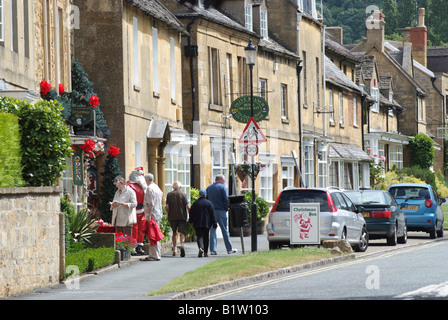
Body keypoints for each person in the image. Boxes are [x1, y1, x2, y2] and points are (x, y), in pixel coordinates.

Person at [206, 174, 237, 255]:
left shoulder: (209, 188)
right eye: (224, 180)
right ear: (220, 180)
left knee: (212, 230)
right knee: (224, 230)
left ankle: (213, 250)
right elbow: (226, 199)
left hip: (211, 212)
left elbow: (207, 200)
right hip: (221, 211)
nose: (224, 181)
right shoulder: (222, 187)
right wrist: (227, 208)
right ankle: (229, 249)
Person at [140, 173, 164, 261]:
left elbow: (150, 204)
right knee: (155, 234)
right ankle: (154, 254)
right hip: (158, 213)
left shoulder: (150, 189)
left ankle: (155, 255)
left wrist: (148, 215)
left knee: (153, 235)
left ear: (146, 180)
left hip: (153, 214)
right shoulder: (157, 187)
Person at [189, 189, 217, 257]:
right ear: (205, 195)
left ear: (199, 195)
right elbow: (213, 214)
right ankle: (205, 252)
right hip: (207, 223)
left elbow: (191, 213)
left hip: (197, 223)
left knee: (199, 236)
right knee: (206, 237)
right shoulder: (209, 203)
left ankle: (201, 248)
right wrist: (214, 224)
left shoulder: (195, 203)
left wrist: (191, 221)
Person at [165, 181, 190, 257]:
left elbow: (167, 207)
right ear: (180, 187)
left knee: (174, 233)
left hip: (172, 217)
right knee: (182, 232)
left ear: (173, 187)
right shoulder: (183, 194)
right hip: (182, 216)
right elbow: (188, 206)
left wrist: (168, 212)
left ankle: (175, 249)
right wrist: (190, 214)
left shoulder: (169, 195)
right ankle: (182, 244)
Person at [127, 167, 147, 255]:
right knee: (134, 228)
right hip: (133, 209)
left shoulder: (144, 186)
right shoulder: (128, 185)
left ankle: (139, 246)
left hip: (142, 209)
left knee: (141, 228)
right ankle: (133, 246)